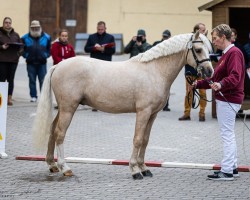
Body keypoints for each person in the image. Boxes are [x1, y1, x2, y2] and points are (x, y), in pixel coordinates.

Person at [193, 24, 245, 180]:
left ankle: (227, 171)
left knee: (227, 135)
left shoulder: (234, 53)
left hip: (229, 99)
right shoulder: (226, 54)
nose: (213, 42)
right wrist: (198, 84)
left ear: (223, 37)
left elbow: (235, 76)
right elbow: (214, 78)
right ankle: (232, 167)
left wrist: (222, 84)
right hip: (227, 98)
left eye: (215, 38)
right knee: (229, 134)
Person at [178, 23, 208, 122]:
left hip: (202, 72)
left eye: (204, 30)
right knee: (189, 93)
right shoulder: (189, 40)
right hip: (190, 71)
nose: (204, 32)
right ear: (196, 30)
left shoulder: (205, 41)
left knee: (203, 93)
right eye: (202, 30)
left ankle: (202, 114)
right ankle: (187, 113)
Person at [84, 21, 115, 111]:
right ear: (97, 28)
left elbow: (113, 51)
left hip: (106, 64)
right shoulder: (92, 37)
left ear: (105, 28)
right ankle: (94, 103)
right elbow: (86, 49)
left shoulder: (110, 37)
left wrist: (103, 49)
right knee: (94, 84)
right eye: (98, 29)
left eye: (102, 29)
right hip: (94, 64)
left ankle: (107, 102)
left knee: (106, 84)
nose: (100, 30)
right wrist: (94, 48)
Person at [21, 20, 51, 102]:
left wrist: (46, 55)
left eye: (37, 27)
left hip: (42, 63)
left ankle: (42, 96)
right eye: (33, 27)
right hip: (30, 63)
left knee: (43, 80)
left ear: (40, 27)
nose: (35, 29)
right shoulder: (24, 38)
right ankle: (33, 96)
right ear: (31, 28)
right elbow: (21, 49)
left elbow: (49, 49)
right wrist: (26, 55)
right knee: (32, 80)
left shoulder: (47, 37)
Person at [0, 17, 22, 106]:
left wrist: (19, 53)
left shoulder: (16, 35)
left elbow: (21, 46)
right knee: (1, 79)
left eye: (9, 22)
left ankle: (9, 98)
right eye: (6, 22)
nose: (7, 24)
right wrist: (1, 47)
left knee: (11, 79)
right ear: (3, 23)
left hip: (13, 61)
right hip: (2, 60)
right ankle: (1, 97)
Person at [51, 29, 76, 109]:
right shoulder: (55, 45)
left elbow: (73, 58)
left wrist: (68, 64)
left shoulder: (70, 47)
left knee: (67, 87)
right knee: (59, 87)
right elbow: (55, 57)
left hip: (68, 70)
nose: (64, 38)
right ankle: (58, 102)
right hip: (58, 69)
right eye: (62, 36)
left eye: (65, 36)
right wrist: (64, 63)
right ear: (59, 36)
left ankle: (67, 102)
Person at [152, 29, 172, 111]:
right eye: (164, 36)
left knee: (166, 87)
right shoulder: (157, 44)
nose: (165, 38)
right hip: (156, 68)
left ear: (169, 37)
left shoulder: (172, 46)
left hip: (166, 69)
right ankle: (154, 103)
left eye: (166, 37)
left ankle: (165, 105)